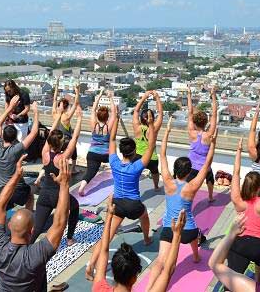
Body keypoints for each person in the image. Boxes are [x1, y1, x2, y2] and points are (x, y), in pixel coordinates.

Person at [145, 118, 216, 289]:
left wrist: (167, 132)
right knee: (194, 238)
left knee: (161, 261)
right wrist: (213, 143)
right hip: (189, 230)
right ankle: (196, 256)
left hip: (169, 228)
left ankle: (148, 289)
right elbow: (207, 164)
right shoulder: (192, 186)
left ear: (176, 170)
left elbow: (161, 155)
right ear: (189, 171)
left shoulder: (168, 182)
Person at [86, 109, 157, 280]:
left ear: (122, 152)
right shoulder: (137, 165)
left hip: (118, 204)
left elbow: (110, 138)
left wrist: (116, 118)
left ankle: (90, 265)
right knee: (144, 215)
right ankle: (147, 239)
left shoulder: (114, 162)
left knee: (107, 236)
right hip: (133, 205)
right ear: (133, 152)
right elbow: (152, 144)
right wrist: (151, 124)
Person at [0, 154, 71, 292]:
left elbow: (0, 206)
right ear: (32, 231)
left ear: (9, 226)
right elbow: (60, 222)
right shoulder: (34, 256)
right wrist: (65, 184)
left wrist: (16, 176)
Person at [92, 195, 187, 292]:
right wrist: (177, 234)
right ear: (134, 278)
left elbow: (104, 250)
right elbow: (168, 270)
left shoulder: (99, 288)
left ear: (113, 271)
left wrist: (109, 215)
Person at [228, 137, 260, 281]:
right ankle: (257, 279)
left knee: (231, 280)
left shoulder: (238, 201)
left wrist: (238, 151)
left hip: (241, 243)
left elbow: (235, 173)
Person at [32, 105, 83, 245]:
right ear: (60, 144)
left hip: (44, 195)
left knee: (37, 228)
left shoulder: (45, 154)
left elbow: (49, 135)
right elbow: (75, 138)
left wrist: (58, 115)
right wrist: (79, 119)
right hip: (58, 196)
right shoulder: (62, 158)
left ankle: (25, 247)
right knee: (75, 206)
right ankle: (70, 238)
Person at [0, 97, 40, 210]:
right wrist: (36, 112)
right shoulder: (16, 149)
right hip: (17, 189)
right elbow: (33, 132)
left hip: (1, 189)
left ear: (2, 136)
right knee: (30, 195)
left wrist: (10, 107)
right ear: (15, 138)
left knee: (2, 211)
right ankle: (28, 217)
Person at [78, 89, 116, 196]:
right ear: (107, 117)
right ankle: (119, 183)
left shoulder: (93, 124)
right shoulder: (108, 127)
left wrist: (99, 96)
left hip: (92, 153)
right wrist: (110, 98)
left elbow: (93, 109)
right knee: (116, 164)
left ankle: (81, 188)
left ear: (98, 116)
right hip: (105, 155)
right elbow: (114, 112)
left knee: (90, 173)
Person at [186, 86, 219, 202]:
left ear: (194, 122)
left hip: (191, 166)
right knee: (210, 179)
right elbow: (214, 114)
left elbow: (190, 112)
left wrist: (189, 94)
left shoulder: (191, 132)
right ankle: (210, 197)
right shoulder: (209, 134)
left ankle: (187, 200)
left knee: (189, 186)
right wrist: (213, 95)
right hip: (205, 167)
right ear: (206, 123)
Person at [133, 90, 164, 190]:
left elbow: (136, 111)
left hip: (138, 156)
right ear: (151, 119)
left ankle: (132, 186)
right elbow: (161, 113)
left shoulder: (137, 127)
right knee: (155, 172)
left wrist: (144, 97)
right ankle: (156, 186)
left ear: (142, 118)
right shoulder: (154, 129)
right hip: (152, 158)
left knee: (135, 173)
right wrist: (157, 98)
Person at [51, 78, 80, 166]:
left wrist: (57, 85)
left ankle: (55, 163)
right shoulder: (66, 117)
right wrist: (77, 92)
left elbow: (54, 99)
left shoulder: (54, 113)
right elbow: (75, 104)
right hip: (65, 142)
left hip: (56, 141)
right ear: (67, 108)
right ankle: (74, 168)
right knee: (73, 146)